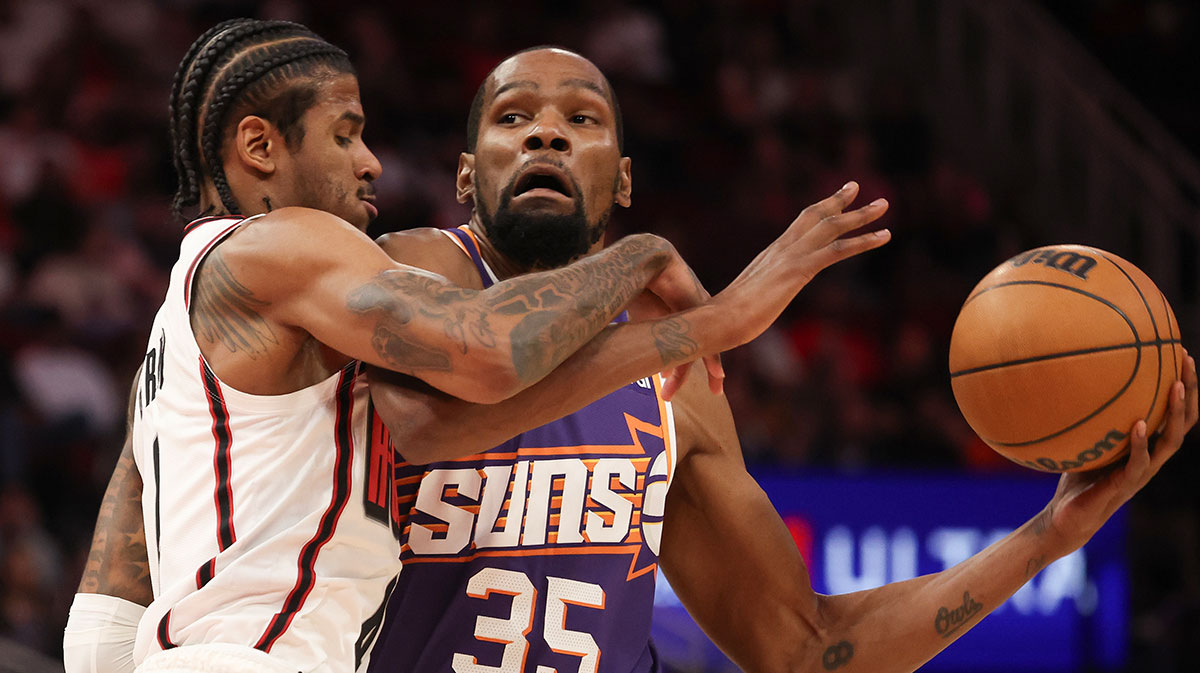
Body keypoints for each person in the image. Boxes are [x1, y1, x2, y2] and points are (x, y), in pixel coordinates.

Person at [64, 22, 891, 673]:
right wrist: (664, 276)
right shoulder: (287, 247)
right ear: (260, 149)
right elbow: (485, 351)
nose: (371, 162)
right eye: (346, 134)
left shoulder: (176, 330)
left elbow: (99, 634)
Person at [357, 47, 1199, 673]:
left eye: (583, 119)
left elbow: (806, 649)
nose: (546, 129)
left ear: (620, 181)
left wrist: (1049, 535)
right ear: (466, 176)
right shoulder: (415, 271)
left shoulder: (672, 387)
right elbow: (444, 412)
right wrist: (682, 293)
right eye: (513, 118)